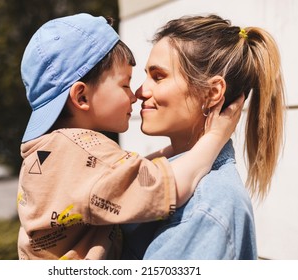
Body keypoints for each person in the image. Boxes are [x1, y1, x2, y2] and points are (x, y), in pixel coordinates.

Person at [16, 13, 243, 260]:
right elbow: (164, 187)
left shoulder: (56, 150)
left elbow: (129, 171)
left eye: (158, 77)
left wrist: (178, 151)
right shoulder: (83, 152)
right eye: (125, 84)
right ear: (81, 97)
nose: (136, 93)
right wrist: (217, 135)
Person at [121, 14, 285, 260]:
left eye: (158, 76)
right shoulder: (163, 172)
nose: (140, 91)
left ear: (212, 93)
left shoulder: (207, 205)